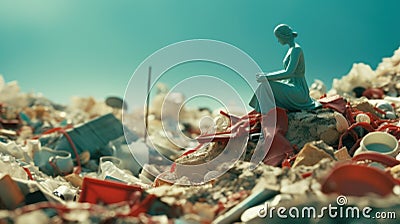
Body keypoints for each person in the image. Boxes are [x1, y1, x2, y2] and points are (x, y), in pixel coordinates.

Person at [249, 24, 320, 113]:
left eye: (278, 37)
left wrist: (267, 77)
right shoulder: (291, 49)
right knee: (266, 85)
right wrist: (266, 75)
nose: (278, 41)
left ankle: (267, 115)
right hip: (291, 84)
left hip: (299, 90)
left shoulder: (296, 50)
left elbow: (289, 72)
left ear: (284, 36)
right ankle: (266, 113)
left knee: (266, 86)